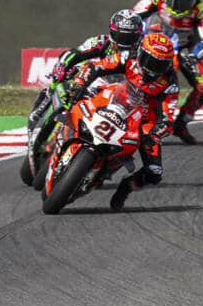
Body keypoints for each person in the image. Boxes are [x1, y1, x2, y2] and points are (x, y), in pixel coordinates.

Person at [66, 33, 180, 212]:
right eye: (150, 61)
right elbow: (96, 66)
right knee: (74, 101)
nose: (153, 68)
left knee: (154, 172)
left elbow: (168, 117)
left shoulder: (170, 82)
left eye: (160, 64)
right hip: (114, 97)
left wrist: (155, 134)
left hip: (143, 120)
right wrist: (79, 83)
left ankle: (126, 187)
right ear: (141, 53)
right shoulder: (128, 57)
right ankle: (62, 139)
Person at [27, 9, 144, 131]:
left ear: (139, 35)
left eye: (130, 37)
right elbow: (75, 53)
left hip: (128, 91)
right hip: (100, 83)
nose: (124, 41)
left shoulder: (144, 50)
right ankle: (42, 111)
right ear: (111, 32)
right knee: (67, 78)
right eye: (120, 36)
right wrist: (62, 66)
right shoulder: (102, 41)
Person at [133, 0, 203, 144]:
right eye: (174, 1)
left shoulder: (201, 10)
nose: (178, 7)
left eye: (183, 3)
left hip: (183, 50)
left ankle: (181, 123)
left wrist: (195, 54)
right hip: (152, 43)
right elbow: (132, 15)